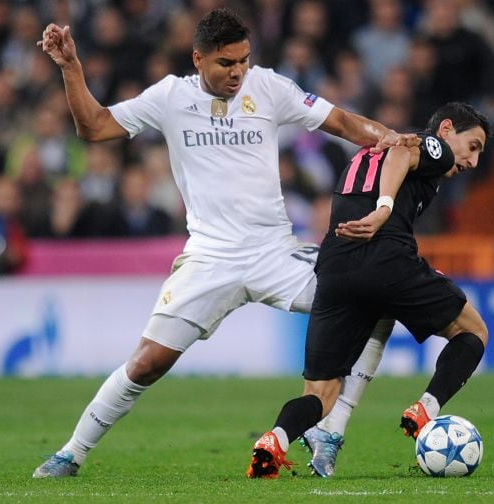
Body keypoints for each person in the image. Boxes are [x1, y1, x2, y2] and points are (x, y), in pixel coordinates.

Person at [32, 8, 417, 478]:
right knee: (147, 363)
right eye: (226, 63)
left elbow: (340, 122)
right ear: (198, 58)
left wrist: (392, 138)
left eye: (244, 61)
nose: (238, 72)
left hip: (276, 252)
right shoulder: (170, 97)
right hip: (210, 257)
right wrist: (72, 67)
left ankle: (329, 432)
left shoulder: (269, 87)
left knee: (377, 299)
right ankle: (70, 453)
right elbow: (94, 127)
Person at [247, 102, 491, 479]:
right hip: (386, 257)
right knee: (473, 331)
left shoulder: (366, 154)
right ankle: (427, 406)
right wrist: (384, 208)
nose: (473, 161)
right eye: (472, 146)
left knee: (319, 393)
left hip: (335, 267)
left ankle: (275, 440)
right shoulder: (431, 147)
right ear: (446, 129)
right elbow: (402, 151)